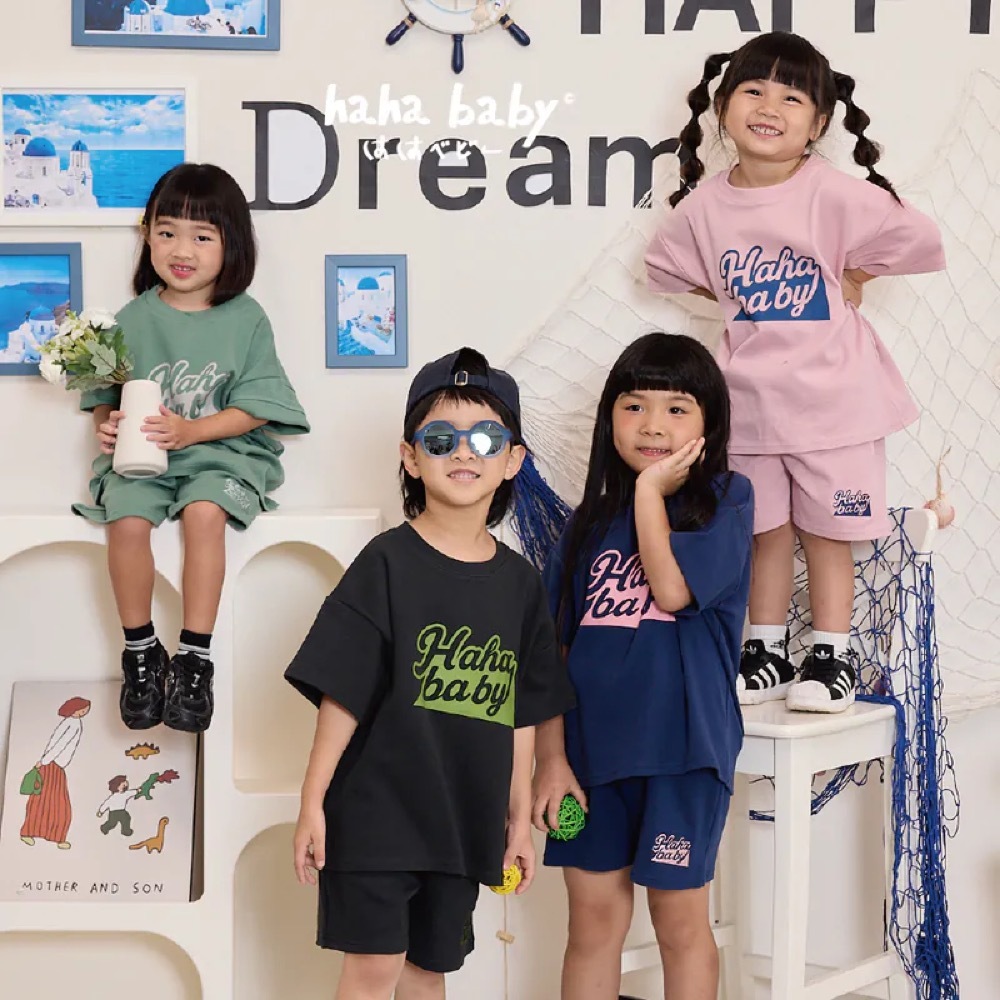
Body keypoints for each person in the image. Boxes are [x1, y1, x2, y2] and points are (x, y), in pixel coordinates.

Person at [644, 31, 946, 713]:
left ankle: (832, 657)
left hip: (835, 403)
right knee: (764, 530)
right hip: (749, 404)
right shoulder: (704, 207)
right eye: (753, 90)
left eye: (791, 97)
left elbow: (920, 239)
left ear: (818, 123)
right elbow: (665, 268)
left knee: (829, 532)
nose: (768, 107)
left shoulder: (833, 193)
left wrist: (851, 273)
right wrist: (732, 296)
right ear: (722, 107)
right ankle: (767, 651)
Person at [286, 347, 576, 1000]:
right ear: (411, 457)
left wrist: (517, 820)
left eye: (486, 439)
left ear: (513, 460)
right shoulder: (386, 564)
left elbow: (520, 713)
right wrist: (311, 802)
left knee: (427, 974)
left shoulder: (521, 585)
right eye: (441, 438)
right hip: (375, 816)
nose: (464, 452)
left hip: (461, 821)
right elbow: (342, 693)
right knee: (374, 969)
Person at [532, 332, 753, 1000]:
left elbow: (674, 591)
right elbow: (552, 655)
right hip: (590, 763)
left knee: (679, 924)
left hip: (681, 758)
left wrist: (650, 494)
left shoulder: (727, 502)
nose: (653, 424)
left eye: (677, 408)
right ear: (610, 419)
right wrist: (551, 759)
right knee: (592, 924)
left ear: (709, 423)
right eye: (634, 406)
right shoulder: (585, 526)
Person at [73, 163, 309, 734]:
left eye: (202, 236)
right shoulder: (132, 318)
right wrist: (108, 426)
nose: (182, 250)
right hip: (146, 457)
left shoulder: (246, 318)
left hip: (221, 454)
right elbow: (106, 398)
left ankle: (194, 658)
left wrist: (193, 432)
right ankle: (141, 652)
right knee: (126, 520)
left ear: (232, 245)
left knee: (205, 514)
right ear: (147, 235)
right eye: (167, 232)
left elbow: (258, 405)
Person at [21, 697, 92, 850]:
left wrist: (44, 760)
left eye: (85, 710)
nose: (83, 712)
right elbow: (58, 745)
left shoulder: (72, 723)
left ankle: (49, 835)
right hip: (52, 765)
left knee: (48, 800)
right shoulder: (72, 724)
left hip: (54, 765)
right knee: (53, 801)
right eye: (82, 709)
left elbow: (56, 744)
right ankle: (39, 834)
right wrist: (44, 761)